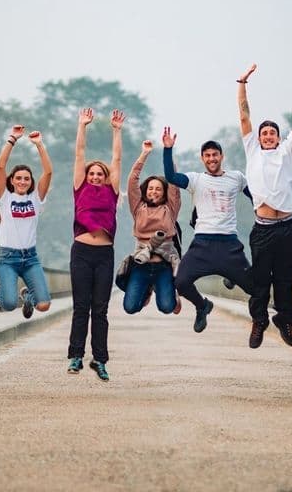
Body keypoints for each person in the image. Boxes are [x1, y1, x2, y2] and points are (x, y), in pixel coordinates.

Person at [238, 64, 292, 348]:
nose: (267, 136)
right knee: (261, 280)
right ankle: (259, 320)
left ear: (277, 137)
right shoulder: (252, 150)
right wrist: (242, 84)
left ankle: (285, 320)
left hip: (287, 227)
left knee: (285, 280)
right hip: (263, 228)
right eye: (264, 133)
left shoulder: (288, 151)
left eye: (271, 133)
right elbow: (244, 115)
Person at [163, 128, 254, 334]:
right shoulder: (196, 179)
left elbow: (255, 197)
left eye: (215, 155)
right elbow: (170, 176)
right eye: (207, 155)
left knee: (256, 289)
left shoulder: (237, 178)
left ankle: (259, 317)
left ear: (221, 156)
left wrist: (264, 215)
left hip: (229, 244)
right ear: (202, 158)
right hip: (202, 244)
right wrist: (168, 150)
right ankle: (202, 306)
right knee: (181, 282)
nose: (211, 158)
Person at [68, 107, 123, 382]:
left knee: (100, 309)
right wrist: (83, 126)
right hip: (81, 252)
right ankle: (76, 356)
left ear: (107, 177)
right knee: (81, 306)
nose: (96, 176)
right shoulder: (80, 187)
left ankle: (99, 359)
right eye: (93, 173)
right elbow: (79, 154)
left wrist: (116, 131)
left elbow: (116, 158)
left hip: (104, 254)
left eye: (100, 174)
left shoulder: (112, 192)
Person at [0, 124, 53, 319]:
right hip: (8, 259)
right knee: (8, 304)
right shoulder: (4, 198)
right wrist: (12, 139)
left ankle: (28, 295)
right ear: (12, 180)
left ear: (31, 181)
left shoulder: (36, 199)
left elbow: (48, 173)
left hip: (31, 258)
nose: (23, 181)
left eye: (27, 179)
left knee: (44, 305)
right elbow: (0, 167)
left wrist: (39, 144)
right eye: (19, 178)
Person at [121, 137, 183, 316]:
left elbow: (173, 183)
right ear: (145, 190)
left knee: (167, 307)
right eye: (150, 188)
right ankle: (147, 289)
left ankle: (169, 292)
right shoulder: (139, 208)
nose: (153, 191)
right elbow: (132, 181)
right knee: (130, 307)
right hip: (141, 263)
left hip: (164, 265)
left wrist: (168, 152)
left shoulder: (170, 209)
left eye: (158, 189)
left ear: (164, 192)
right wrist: (144, 154)